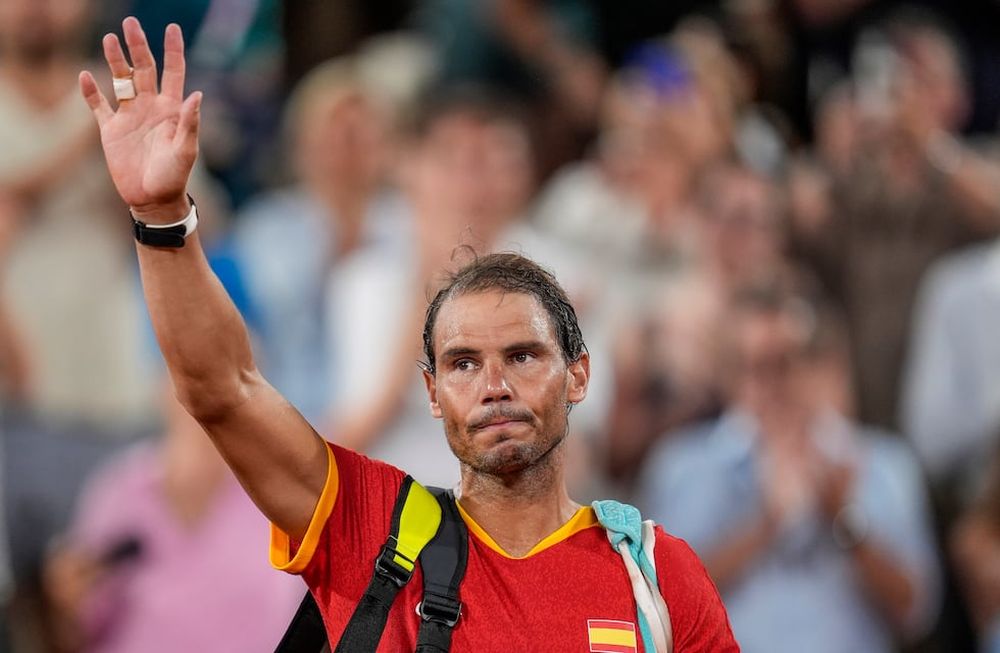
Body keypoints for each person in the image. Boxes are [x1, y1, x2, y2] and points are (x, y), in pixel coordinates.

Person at [77, 17, 739, 651]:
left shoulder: (656, 574)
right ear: (430, 389)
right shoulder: (369, 528)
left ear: (579, 373)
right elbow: (223, 389)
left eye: (523, 354)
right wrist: (162, 215)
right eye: (461, 363)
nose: (494, 384)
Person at [636, 285, 940, 653]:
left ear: (829, 365)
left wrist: (845, 520)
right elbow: (658, 605)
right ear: (730, 374)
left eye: (791, 363)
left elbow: (916, 612)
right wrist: (767, 525)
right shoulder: (684, 464)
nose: (777, 386)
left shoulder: (883, 462)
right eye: (759, 367)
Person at [43, 384, 303, 653]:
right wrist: (66, 602)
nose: (207, 395)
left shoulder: (279, 498)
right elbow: (77, 627)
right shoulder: (120, 489)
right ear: (163, 394)